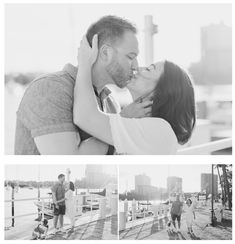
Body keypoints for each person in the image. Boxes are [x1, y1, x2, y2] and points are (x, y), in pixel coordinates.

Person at [14, 15, 145, 155]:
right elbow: (67, 163)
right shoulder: (51, 89)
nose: (136, 66)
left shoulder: (111, 103)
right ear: (106, 53)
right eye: (130, 57)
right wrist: (121, 123)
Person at [73, 35, 196, 154]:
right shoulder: (138, 122)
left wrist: (85, 62)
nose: (138, 68)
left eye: (148, 69)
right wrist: (124, 116)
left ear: (161, 91)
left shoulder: (159, 130)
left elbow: (84, 117)